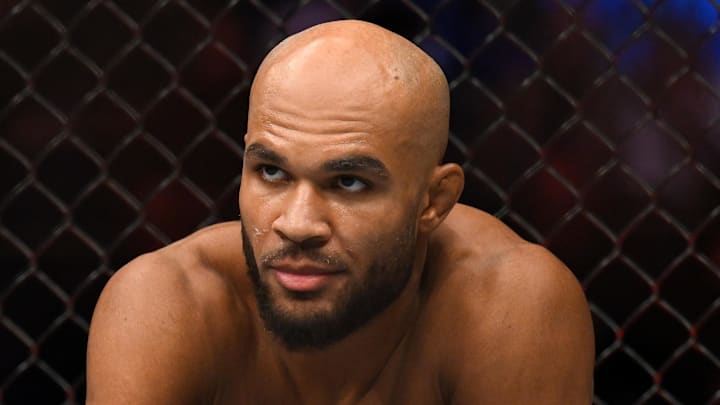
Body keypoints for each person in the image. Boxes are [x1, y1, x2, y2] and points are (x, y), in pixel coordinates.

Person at [86, 19, 594, 404]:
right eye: (272, 172)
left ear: (434, 202)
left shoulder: (508, 305)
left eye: (349, 182)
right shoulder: (166, 305)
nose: (297, 224)